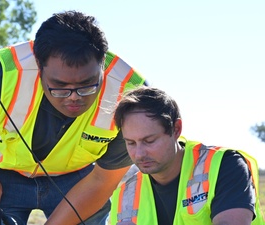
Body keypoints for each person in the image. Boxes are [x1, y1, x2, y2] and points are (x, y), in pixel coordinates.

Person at [0, 10, 147, 225]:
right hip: (1, 174)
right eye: (59, 87)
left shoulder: (131, 94)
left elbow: (102, 181)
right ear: (39, 65)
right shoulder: (0, 73)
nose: (74, 98)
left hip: (80, 181)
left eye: (87, 86)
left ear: (101, 65)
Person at [109, 86, 265, 225]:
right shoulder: (125, 196)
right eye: (130, 143)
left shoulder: (224, 166)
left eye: (149, 141)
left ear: (176, 129)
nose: (139, 153)